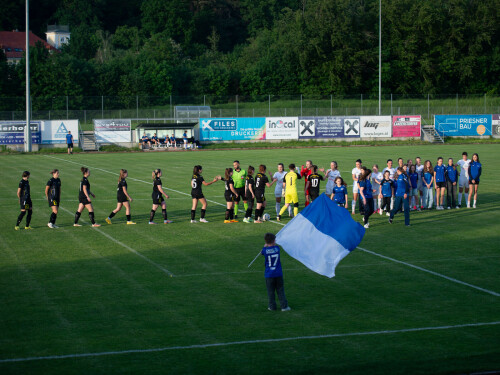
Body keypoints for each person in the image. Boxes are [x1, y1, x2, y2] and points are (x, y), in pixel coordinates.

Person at [261, 232, 291, 312]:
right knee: (280, 290)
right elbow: (273, 248)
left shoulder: (265, 250)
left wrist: (265, 246)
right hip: (278, 273)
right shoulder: (277, 249)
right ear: (273, 241)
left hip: (269, 274)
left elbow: (262, 252)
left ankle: (272, 307)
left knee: (270, 291)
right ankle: (284, 306)